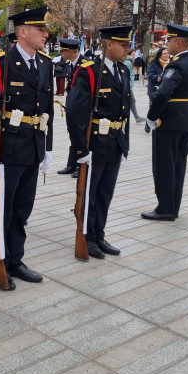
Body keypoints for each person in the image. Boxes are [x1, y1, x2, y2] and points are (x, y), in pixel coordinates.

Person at [0, 5, 54, 288]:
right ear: (22, 32)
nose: (45, 33)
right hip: (8, 148)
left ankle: (16, 259)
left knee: (23, 209)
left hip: (33, 146)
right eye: (40, 29)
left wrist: (49, 148)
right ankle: (0, 261)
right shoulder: (0, 64)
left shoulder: (45, 63)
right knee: (3, 210)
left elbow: (47, 111)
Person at [65, 25, 132, 259]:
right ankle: (86, 237)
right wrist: (80, 150)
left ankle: (99, 234)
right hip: (94, 144)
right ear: (108, 44)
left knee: (105, 193)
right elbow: (74, 112)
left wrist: (125, 142)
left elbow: (124, 111)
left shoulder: (122, 71)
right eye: (123, 44)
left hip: (114, 142)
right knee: (89, 194)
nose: (127, 48)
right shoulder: (90, 71)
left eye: (129, 44)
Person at [142, 23, 188, 221]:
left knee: (165, 165)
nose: (166, 43)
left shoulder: (176, 65)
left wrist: (151, 117)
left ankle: (165, 208)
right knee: (178, 164)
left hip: (170, 120)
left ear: (178, 42)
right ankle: (173, 206)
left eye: (169, 40)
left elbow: (163, 94)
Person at [56, 38, 86, 176]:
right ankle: (72, 165)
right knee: (73, 133)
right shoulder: (71, 63)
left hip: (82, 108)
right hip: (72, 105)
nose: (60, 53)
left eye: (62, 51)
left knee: (82, 135)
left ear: (69, 51)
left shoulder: (85, 65)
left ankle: (82, 164)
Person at [123, 50, 145, 123]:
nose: (134, 56)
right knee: (131, 101)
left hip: (128, 85)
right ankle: (136, 117)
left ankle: (136, 117)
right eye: (133, 54)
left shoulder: (129, 61)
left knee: (131, 101)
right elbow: (126, 74)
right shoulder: (128, 62)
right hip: (127, 86)